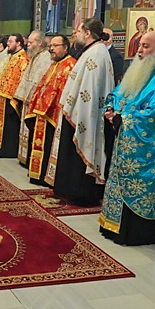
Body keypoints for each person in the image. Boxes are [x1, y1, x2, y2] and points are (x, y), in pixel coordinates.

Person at [100, 30, 155, 245]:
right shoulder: (141, 68)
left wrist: (122, 118)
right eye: (139, 45)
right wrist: (111, 107)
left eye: (146, 46)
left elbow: (154, 113)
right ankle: (113, 226)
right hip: (125, 137)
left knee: (140, 183)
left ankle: (135, 233)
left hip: (148, 145)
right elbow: (120, 92)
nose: (139, 50)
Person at [46, 18, 115, 205]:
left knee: (80, 151)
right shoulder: (92, 51)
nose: (75, 35)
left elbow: (89, 92)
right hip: (78, 111)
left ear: (88, 33)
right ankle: (71, 190)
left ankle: (82, 194)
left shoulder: (96, 54)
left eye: (78, 31)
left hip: (85, 114)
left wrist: (79, 112)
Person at [26, 35, 77, 185]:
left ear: (65, 47)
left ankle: (48, 177)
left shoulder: (70, 66)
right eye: (51, 46)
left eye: (55, 46)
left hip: (54, 115)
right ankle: (39, 175)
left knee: (50, 146)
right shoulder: (54, 64)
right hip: (43, 113)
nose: (51, 49)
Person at [14, 31, 52, 165]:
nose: (27, 45)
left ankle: (31, 161)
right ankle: (24, 158)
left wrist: (30, 98)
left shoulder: (46, 58)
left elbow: (39, 82)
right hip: (28, 101)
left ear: (40, 43)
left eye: (31, 42)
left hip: (35, 103)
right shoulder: (35, 56)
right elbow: (27, 78)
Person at [0, 34, 30, 158]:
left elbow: (22, 80)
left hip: (12, 98)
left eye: (10, 41)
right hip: (4, 96)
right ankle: (2, 148)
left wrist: (16, 97)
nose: (7, 44)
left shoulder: (23, 58)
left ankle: (10, 151)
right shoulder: (13, 56)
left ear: (18, 43)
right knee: (4, 125)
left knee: (11, 126)